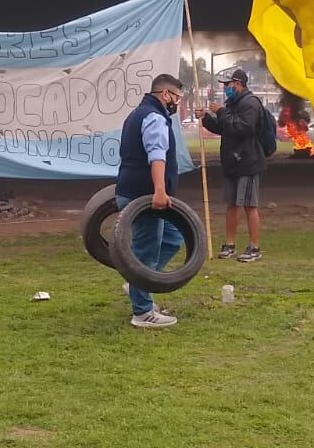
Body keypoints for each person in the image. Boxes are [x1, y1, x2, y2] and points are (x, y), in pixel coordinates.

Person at [115, 75, 186, 327]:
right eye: (176, 97)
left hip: (133, 190)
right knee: (146, 249)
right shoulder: (154, 117)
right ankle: (143, 312)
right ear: (165, 94)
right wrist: (159, 190)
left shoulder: (137, 114)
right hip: (144, 196)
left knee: (172, 239)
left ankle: (138, 282)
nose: (177, 103)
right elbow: (157, 156)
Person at [201, 67, 268, 262]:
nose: (225, 89)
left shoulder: (250, 103)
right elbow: (224, 127)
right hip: (231, 162)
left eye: (227, 85)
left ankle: (254, 247)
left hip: (249, 162)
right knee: (231, 204)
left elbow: (243, 128)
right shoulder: (231, 103)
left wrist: (221, 111)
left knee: (249, 205)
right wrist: (206, 117)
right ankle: (230, 244)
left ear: (238, 84)